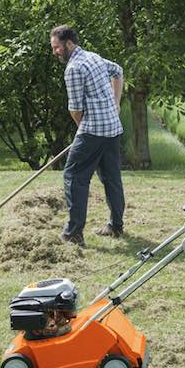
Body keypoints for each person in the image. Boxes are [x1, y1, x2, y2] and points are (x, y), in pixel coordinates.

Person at [50, 25, 125, 246]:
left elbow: (75, 109)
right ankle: (116, 225)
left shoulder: (73, 68)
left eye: (57, 47)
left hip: (94, 130)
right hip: (112, 129)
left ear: (69, 43)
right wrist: (116, 104)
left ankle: (73, 233)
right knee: (111, 178)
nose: (55, 52)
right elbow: (118, 71)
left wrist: (82, 129)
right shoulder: (93, 57)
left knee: (74, 177)